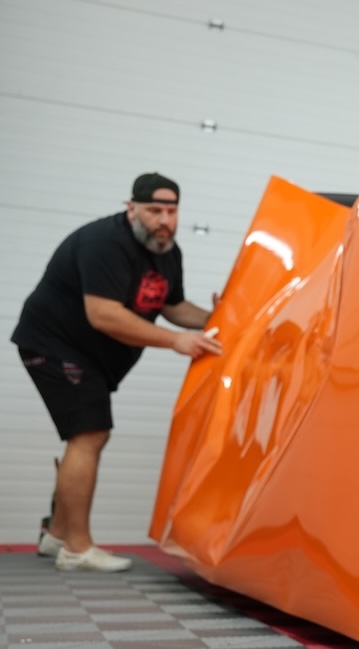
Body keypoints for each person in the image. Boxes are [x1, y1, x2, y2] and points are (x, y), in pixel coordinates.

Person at [11, 172, 222, 572]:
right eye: (154, 210)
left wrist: (218, 317)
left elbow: (172, 307)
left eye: (171, 211)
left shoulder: (166, 251)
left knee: (89, 434)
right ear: (132, 208)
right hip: (54, 344)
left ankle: (56, 536)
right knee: (89, 433)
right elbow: (104, 314)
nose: (164, 220)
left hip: (88, 356)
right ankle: (77, 548)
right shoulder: (105, 243)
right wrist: (175, 342)